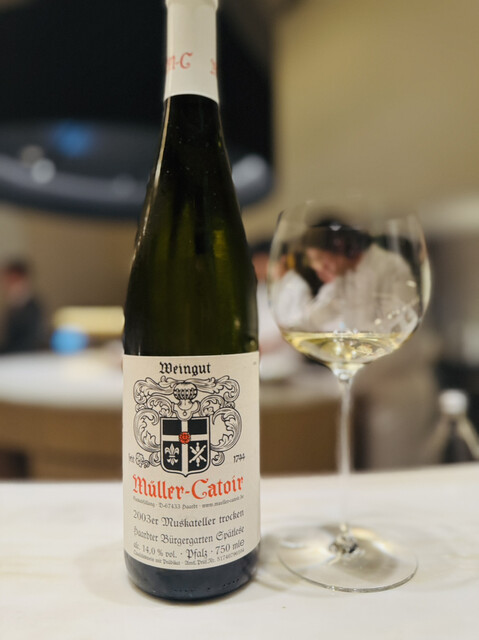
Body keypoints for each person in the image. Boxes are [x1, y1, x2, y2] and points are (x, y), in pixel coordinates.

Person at [0, 259, 45, 354]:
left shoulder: (33, 308)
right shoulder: (14, 306)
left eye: (12, 280)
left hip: (24, 358)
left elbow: (30, 342)